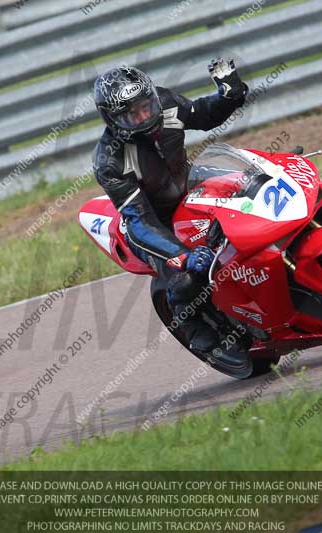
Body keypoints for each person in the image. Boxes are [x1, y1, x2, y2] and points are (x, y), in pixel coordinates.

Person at [92, 58, 249, 365]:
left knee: (253, 185)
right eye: (131, 115)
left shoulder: (164, 103)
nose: (143, 117)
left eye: (145, 107)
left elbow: (203, 115)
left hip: (186, 182)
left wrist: (230, 95)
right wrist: (184, 256)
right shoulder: (109, 162)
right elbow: (140, 222)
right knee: (187, 275)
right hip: (152, 219)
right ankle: (188, 321)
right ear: (112, 120)